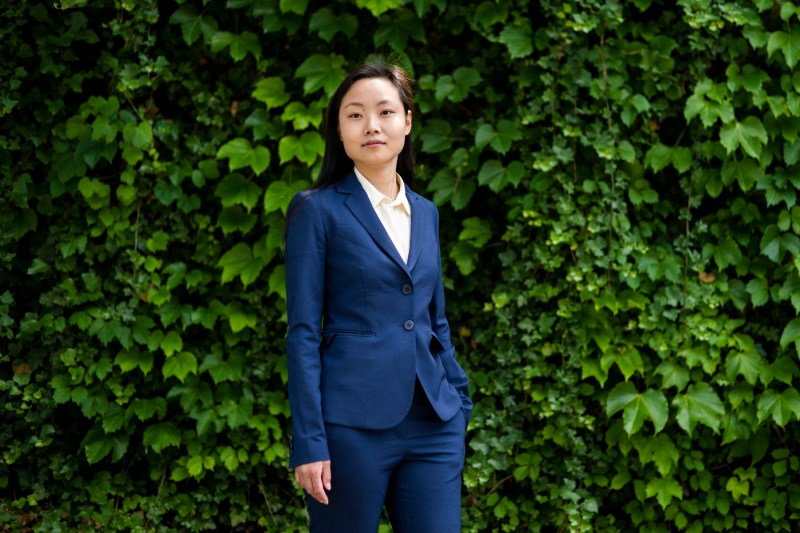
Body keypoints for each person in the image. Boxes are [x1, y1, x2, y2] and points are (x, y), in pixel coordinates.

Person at [284, 58, 472, 533]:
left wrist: (459, 401)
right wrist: (309, 441)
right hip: (350, 428)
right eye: (355, 114)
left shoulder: (426, 213)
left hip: (434, 422)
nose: (371, 125)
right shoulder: (316, 210)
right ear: (339, 129)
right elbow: (303, 333)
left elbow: (435, 320)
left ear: (407, 121)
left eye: (385, 112)